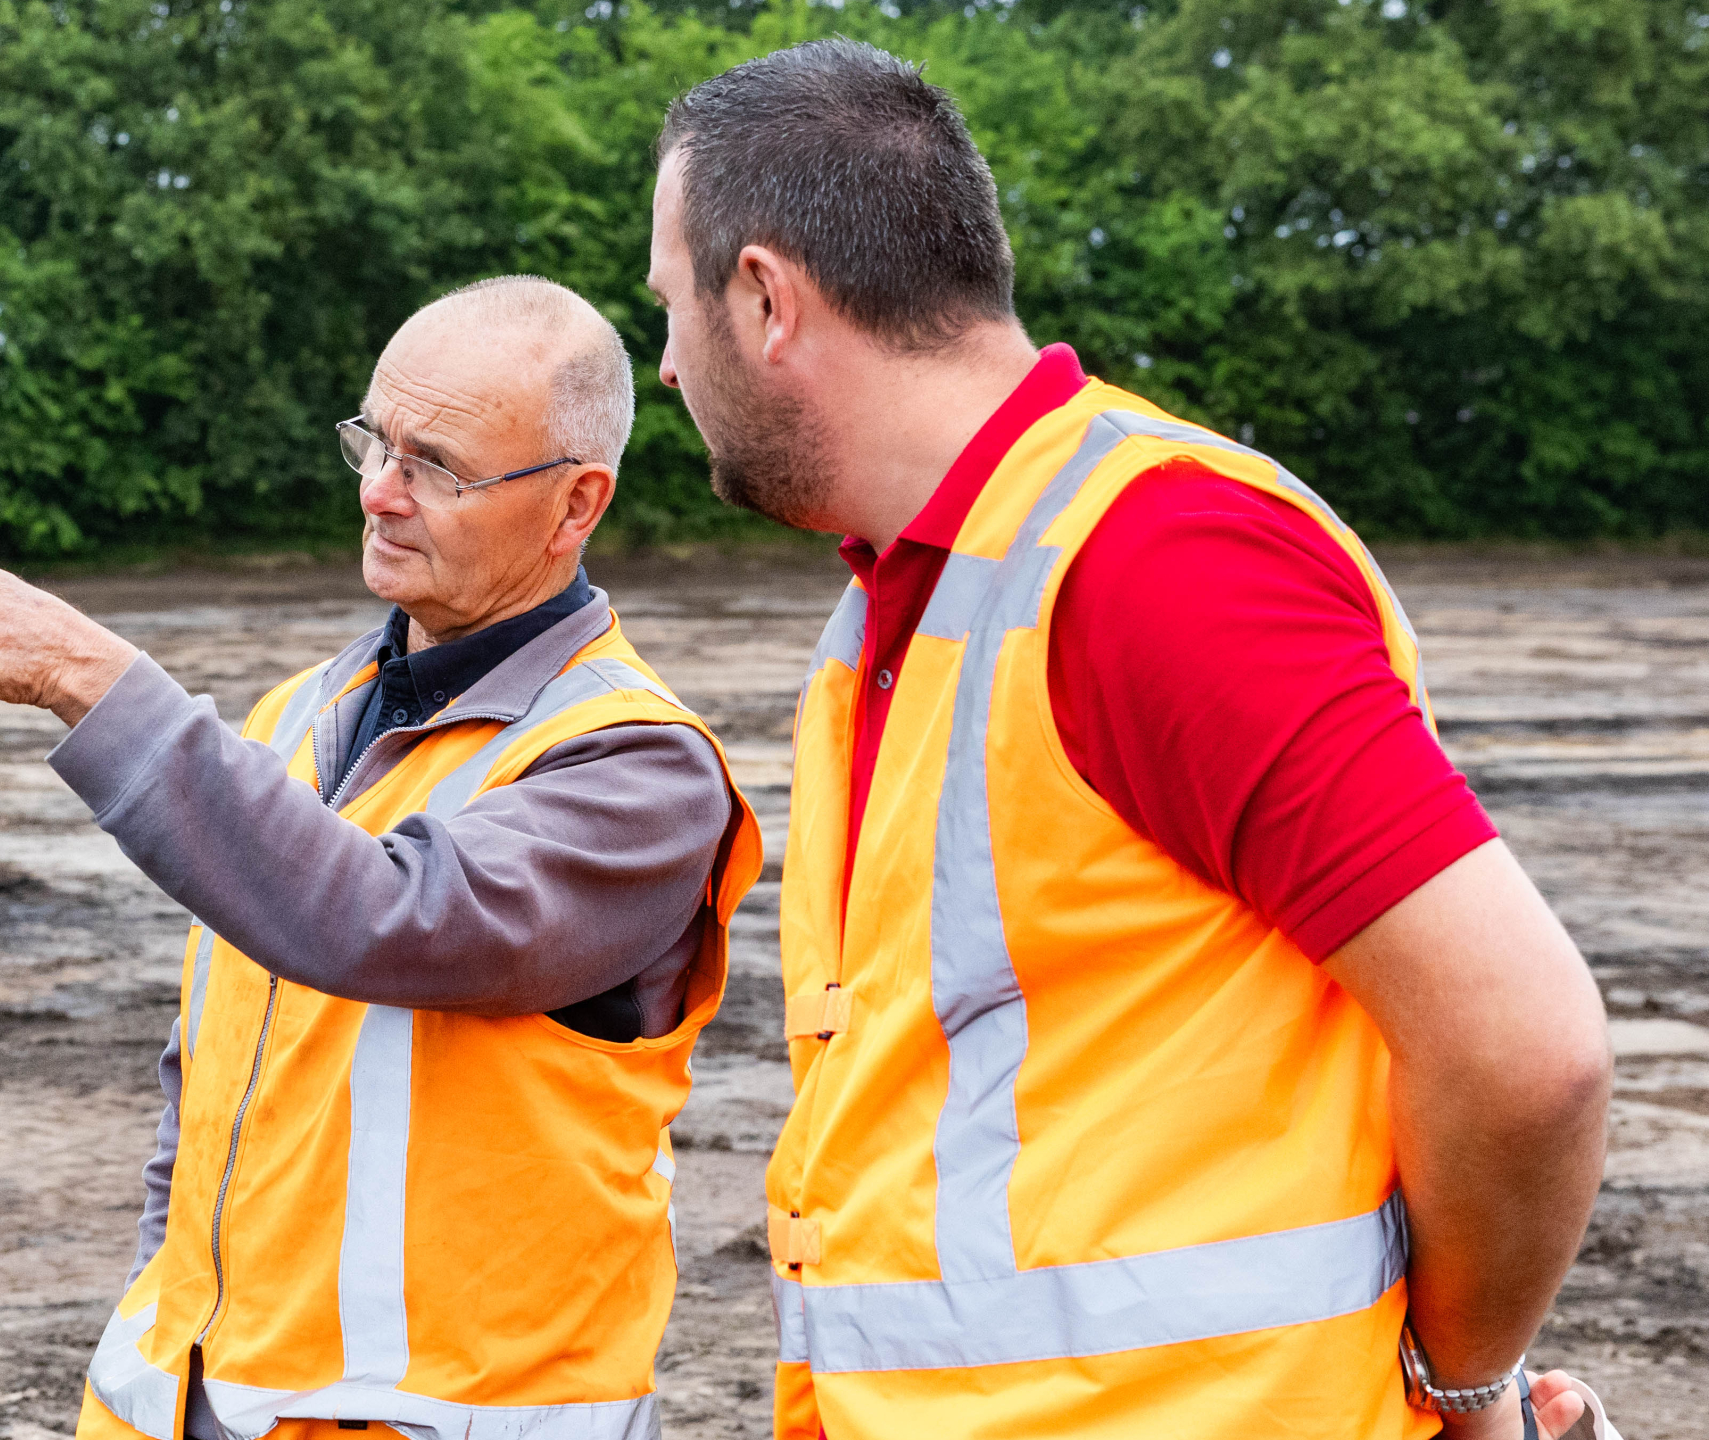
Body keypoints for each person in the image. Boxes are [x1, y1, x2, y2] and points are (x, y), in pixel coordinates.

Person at [644, 39, 1616, 1440]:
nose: (668, 365)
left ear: (766, 298)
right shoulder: (893, 615)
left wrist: (1463, 1383)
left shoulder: (1156, 559)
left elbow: (1528, 1051)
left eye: (671, 307)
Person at [0, 277, 762, 1440]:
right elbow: (210, 1081)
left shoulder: (637, 771)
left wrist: (89, 678)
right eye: (376, 439)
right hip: (182, 1402)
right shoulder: (295, 716)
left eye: (437, 466)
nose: (379, 491)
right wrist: (160, 1315)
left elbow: (392, 920)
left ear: (576, 504)